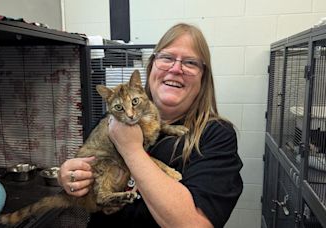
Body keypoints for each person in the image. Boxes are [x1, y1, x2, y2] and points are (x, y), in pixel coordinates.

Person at [58, 23, 243, 228]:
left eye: (190, 63)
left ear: (203, 76)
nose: (175, 69)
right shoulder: (114, 119)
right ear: (152, 66)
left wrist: (132, 150)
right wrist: (71, 176)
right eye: (167, 58)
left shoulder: (216, 135)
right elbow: (91, 180)